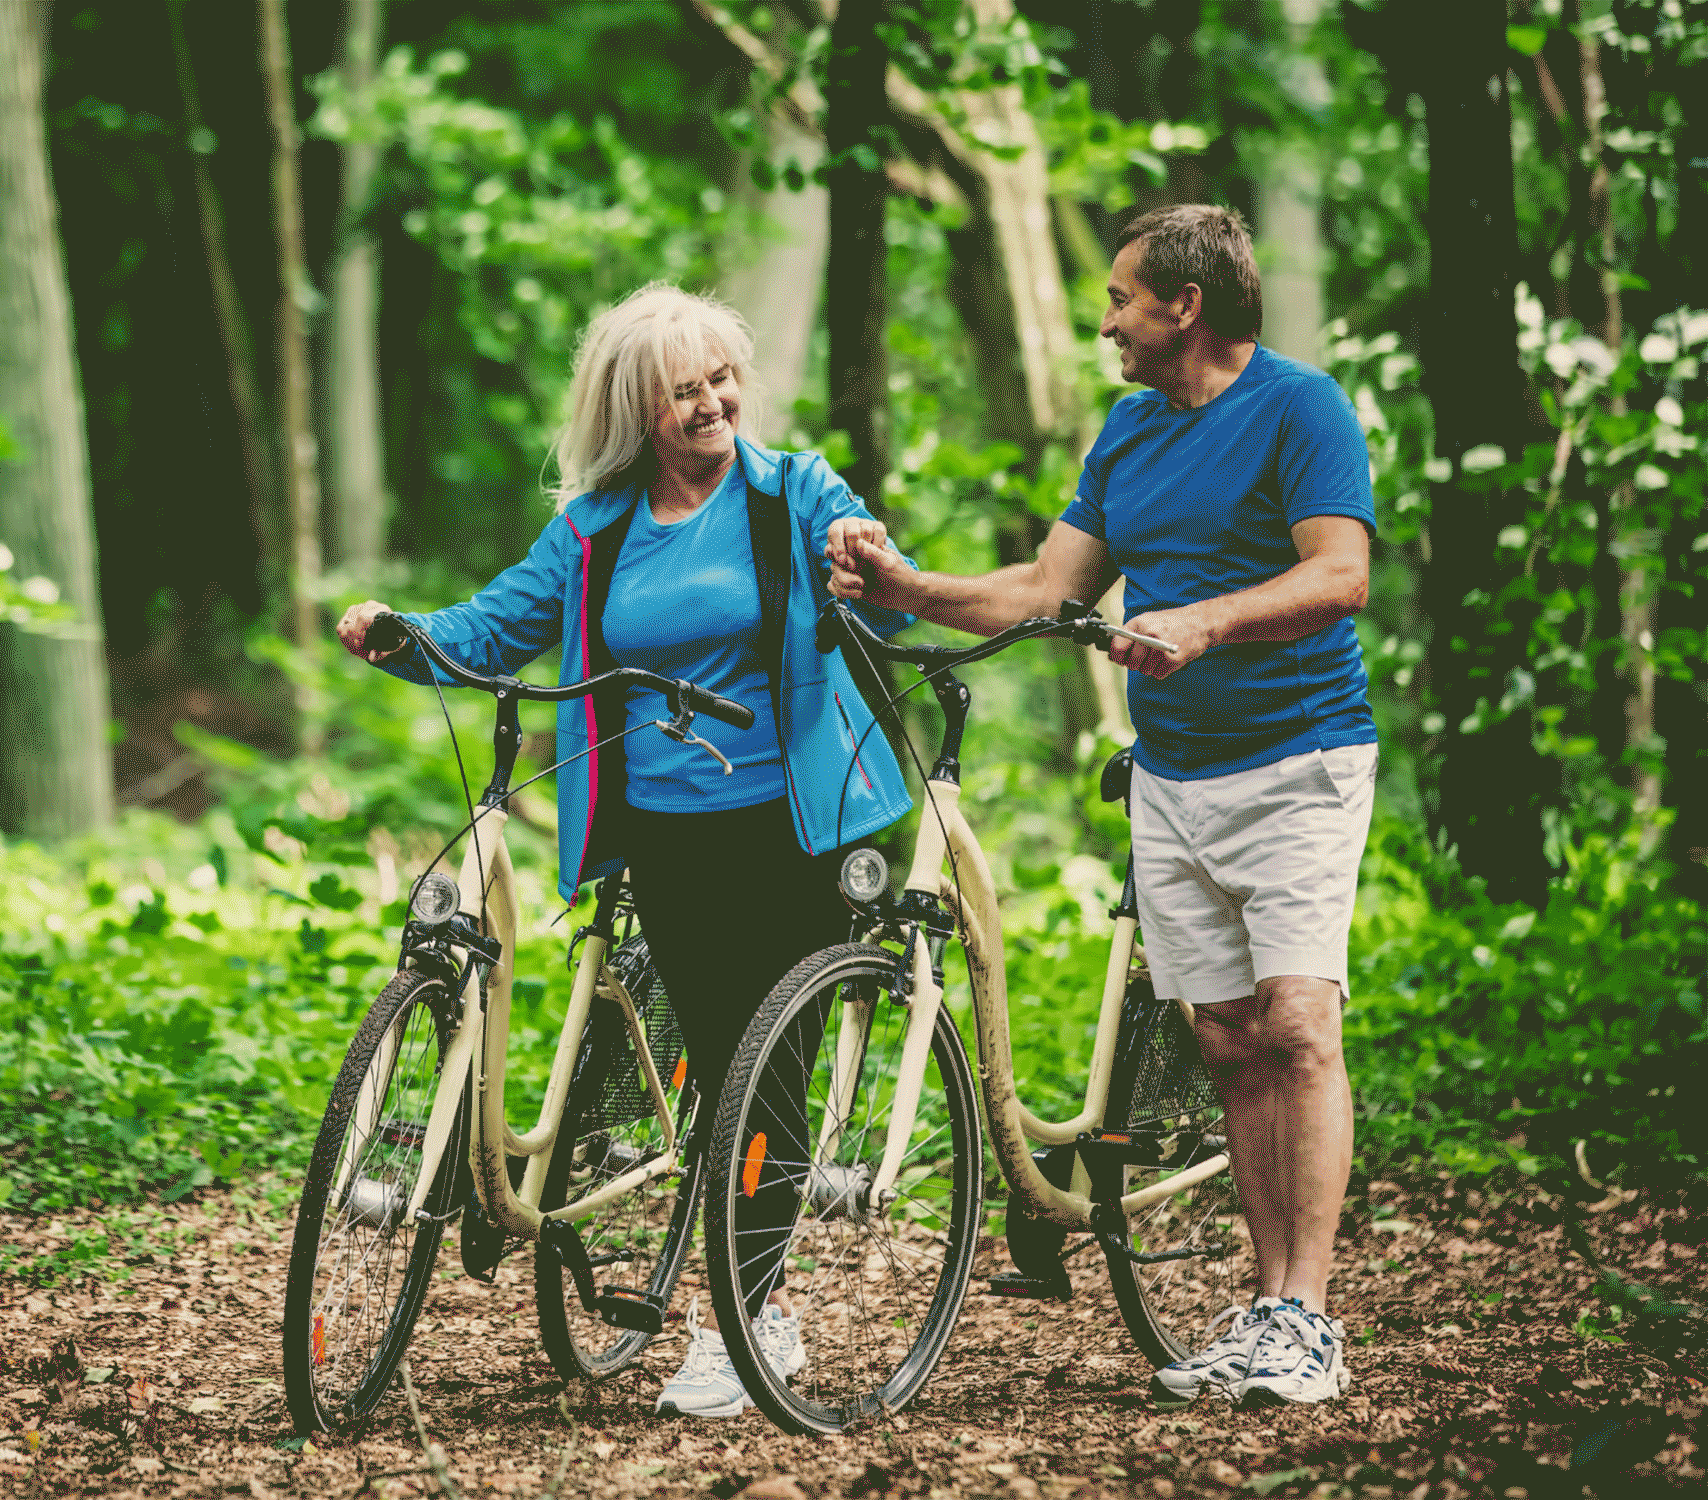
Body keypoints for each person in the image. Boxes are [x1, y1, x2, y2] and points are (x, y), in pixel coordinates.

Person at [335, 283, 916, 1418]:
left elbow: (875, 590)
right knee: (713, 1068)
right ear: (635, 410)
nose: (712, 403)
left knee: (767, 1070)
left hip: (789, 822)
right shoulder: (594, 532)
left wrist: (864, 556)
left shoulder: (793, 492)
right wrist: (398, 636)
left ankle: (750, 1318)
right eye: (682, 390)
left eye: (720, 379)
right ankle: (742, 1293)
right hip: (663, 834)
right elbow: (490, 629)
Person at [829, 205, 1376, 1409]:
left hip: (1298, 760)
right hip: (1173, 773)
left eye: (1122, 299)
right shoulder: (1126, 439)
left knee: (1297, 1025)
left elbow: (1341, 573)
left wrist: (1203, 616)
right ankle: (1266, 1303)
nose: (1105, 321)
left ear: (1184, 305)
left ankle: (1306, 1315)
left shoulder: (1300, 407)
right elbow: (1039, 588)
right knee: (1228, 1041)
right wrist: (903, 586)